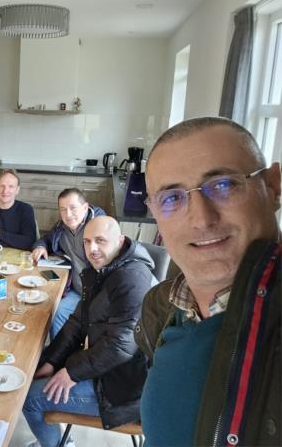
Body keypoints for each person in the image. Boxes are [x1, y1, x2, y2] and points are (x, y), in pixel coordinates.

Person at [135, 117, 281, 446]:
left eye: (223, 185)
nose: (201, 219)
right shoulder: (161, 307)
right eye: (172, 198)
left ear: (272, 186)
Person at [23, 216, 156, 447]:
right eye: (86, 241)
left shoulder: (132, 278)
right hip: (111, 370)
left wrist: (72, 372)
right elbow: (77, 322)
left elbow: (121, 346)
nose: (92, 249)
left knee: (29, 399)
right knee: (32, 372)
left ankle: (60, 445)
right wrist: (52, 361)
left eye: (100, 241)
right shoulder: (102, 269)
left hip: (126, 391)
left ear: (120, 240)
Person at [32, 188, 105, 339]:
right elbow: (46, 239)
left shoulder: (101, 229)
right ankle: (56, 352)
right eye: (63, 210)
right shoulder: (61, 228)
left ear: (85, 207)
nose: (68, 214)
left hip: (101, 295)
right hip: (78, 291)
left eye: (73, 208)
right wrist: (40, 246)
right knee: (54, 311)